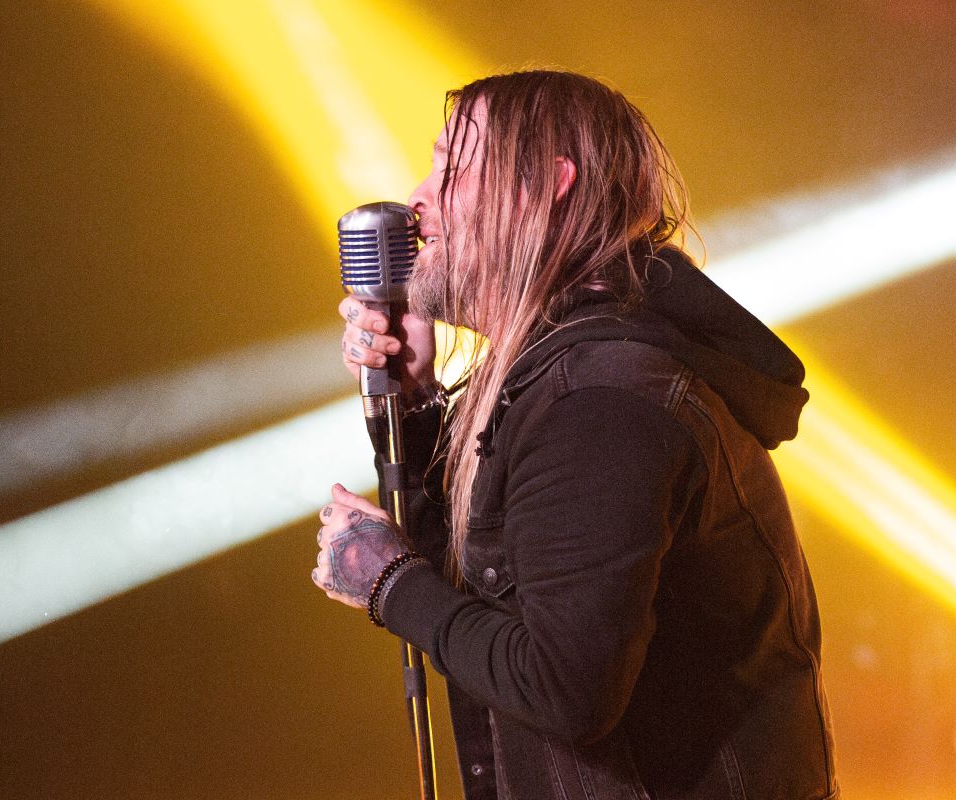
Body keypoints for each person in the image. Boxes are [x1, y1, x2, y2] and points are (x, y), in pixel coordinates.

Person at [311, 70, 839, 800]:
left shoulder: (598, 403)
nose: (418, 200)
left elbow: (565, 690)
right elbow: (486, 616)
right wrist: (418, 402)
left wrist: (390, 583)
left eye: (452, 169)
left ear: (547, 187)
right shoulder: (562, 378)